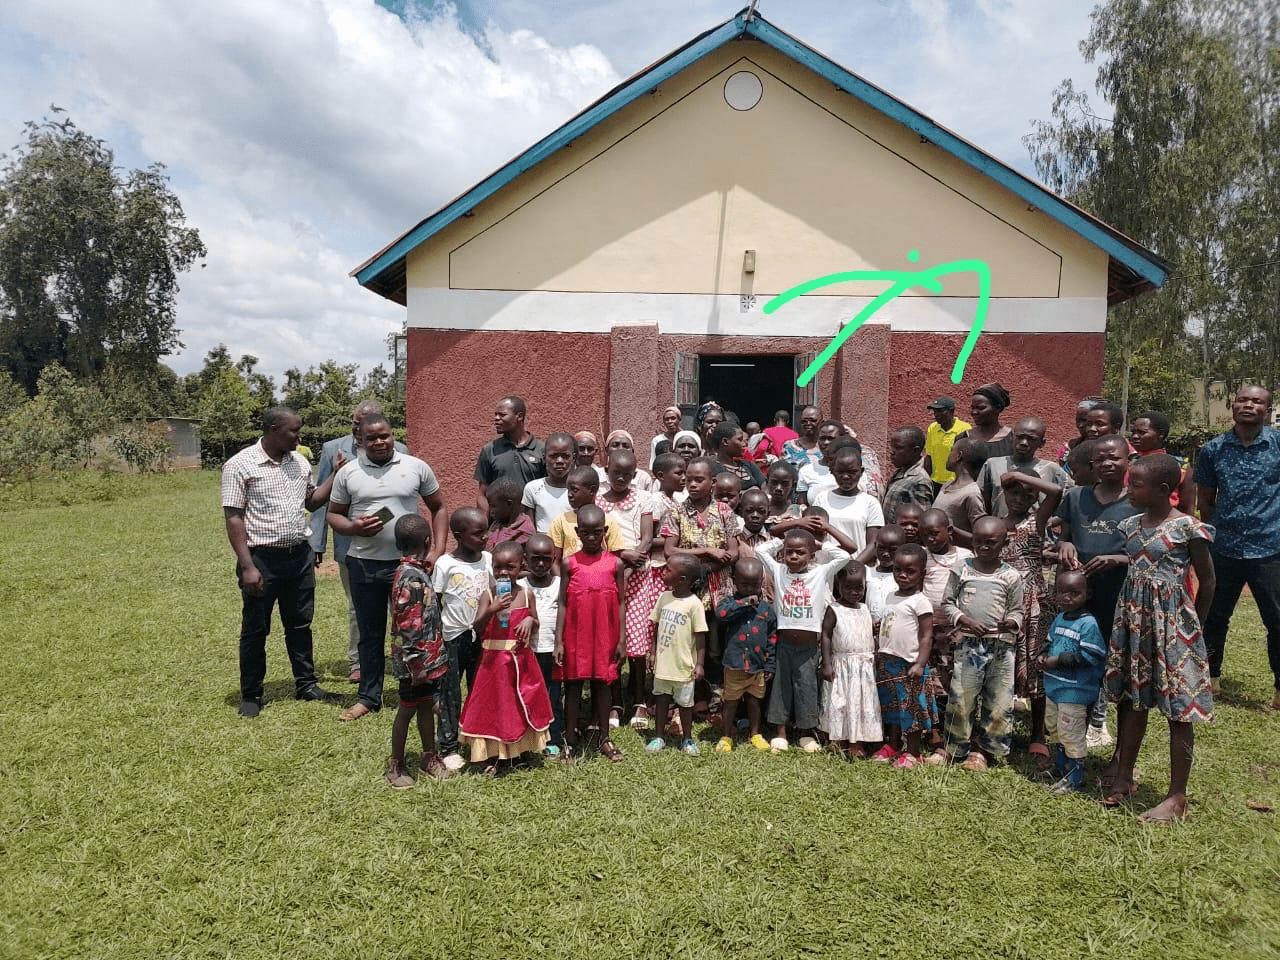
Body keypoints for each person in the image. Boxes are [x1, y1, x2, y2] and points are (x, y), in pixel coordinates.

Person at [1103, 454, 1216, 821]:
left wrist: (1193, 626)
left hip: (1174, 626)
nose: (1128, 489)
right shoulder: (1131, 525)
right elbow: (1137, 566)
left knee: (1179, 708)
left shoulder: (1187, 528)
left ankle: (1177, 796)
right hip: (1134, 623)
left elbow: (1209, 580)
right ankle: (1123, 776)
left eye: (1135, 484)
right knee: (1134, 699)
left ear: (1164, 490)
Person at [221, 407, 342, 718]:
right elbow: (233, 517)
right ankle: (251, 694)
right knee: (255, 629)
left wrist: (335, 474)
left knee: (300, 624)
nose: (298, 436)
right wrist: (247, 566)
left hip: (298, 556)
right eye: (293, 431)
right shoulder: (240, 465)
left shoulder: (299, 463)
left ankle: (306, 684)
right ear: (273, 429)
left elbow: (312, 501)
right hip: (261, 558)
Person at [327, 413, 447, 722]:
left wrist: (438, 550)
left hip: (407, 566)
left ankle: (425, 692)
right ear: (361, 441)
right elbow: (333, 515)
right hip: (364, 563)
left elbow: (439, 507)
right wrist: (353, 526)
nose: (380, 442)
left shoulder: (415, 466)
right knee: (370, 633)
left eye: (385, 436)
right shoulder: (348, 473)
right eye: (372, 438)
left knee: (417, 632)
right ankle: (369, 696)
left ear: (393, 436)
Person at [1195, 384, 1280, 705]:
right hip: (1224, 548)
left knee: (1277, 620)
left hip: (1270, 548)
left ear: (1267, 410)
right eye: (1242, 400)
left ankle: (1279, 689)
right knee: (1215, 616)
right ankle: (1210, 679)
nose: (1249, 405)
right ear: (1232, 406)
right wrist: (1221, 528)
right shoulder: (1213, 449)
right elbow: (1206, 500)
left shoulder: (1278, 445)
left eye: (1257, 401)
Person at [310, 400, 405, 684]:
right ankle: (358, 662)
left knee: (400, 606)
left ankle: (402, 657)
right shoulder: (333, 449)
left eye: (361, 422)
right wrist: (317, 544)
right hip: (351, 546)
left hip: (395, 547)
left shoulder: (401, 452)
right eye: (354, 422)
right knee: (356, 606)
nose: (355, 428)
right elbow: (322, 502)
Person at [1055, 435, 1140, 748]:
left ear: (1128, 461)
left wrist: (1117, 559)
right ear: (1091, 465)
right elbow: (1063, 537)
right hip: (1080, 596)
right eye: (1100, 459)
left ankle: (1102, 726)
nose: (1107, 464)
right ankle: (1078, 730)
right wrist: (1064, 545)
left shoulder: (1138, 501)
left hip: (1120, 595)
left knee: (1117, 663)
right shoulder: (1076, 496)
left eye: (1114, 458)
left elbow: (1150, 554)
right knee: (1081, 658)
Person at [755, 520, 859, 752]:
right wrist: (785, 540)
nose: (793, 556)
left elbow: (844, 557)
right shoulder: (779, 571)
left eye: (800, 552)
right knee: (781, 689)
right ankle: (780, 733)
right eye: (788, 552)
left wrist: (819, 545)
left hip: (809, 648)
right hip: (784, 645)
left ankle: (805, 734)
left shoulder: (820, 573)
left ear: (811, 556)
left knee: (807, 689)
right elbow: (760, 550)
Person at [937, 516, 1024, 771]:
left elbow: (1018, 610)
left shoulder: (1011, 576)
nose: (984, 547)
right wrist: (965, 620)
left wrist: (1010, 621)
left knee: (998, 699)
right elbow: (948, 602)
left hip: (1001, 647)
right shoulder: (961, 569)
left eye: (991, 542)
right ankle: (954, 747)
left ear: (1003, 543)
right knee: (962, 697)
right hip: (969, 646)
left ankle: (986, 750)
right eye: (978, 541)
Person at [459, 541, 554, 773]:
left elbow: (536, 620)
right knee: (494, 708)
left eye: (509, 567)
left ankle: (518, 751)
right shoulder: (488, 594)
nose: (503, 572)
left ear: (521, 566)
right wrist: (492, 608)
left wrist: (530, 621)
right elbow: (478, 626)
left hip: (519, 662)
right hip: (492, 664)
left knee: (517, 707)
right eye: (498, 567)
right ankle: (491, 754)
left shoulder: (527, 594)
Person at [997, 470, 1065, 770]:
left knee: (1034, 666)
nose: (1018, 499)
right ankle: (997, 729)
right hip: (1003, 601)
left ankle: (1038, 734)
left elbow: (1056, 492)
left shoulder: (1035, 521)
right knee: (1002, 666)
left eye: (1027, 495)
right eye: (1013, 492)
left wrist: (1016, 475)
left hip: (1033, 602)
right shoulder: (996, 524)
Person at [554, 505, 627, 761]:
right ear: (577, 532)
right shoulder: (568, 564)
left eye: (597, 532)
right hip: (576, 634)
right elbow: (562, 602)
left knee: (602, 684)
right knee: (573, 686)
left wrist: (622, 640)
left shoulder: (615, 564)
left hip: (606, 634)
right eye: (586, 533)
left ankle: (604, 737)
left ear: (605, 531)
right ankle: (570, 740)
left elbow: (621, 603)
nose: (592, 538)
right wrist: (558, 641)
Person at [384, 515, 449, 788]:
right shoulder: (411, 578)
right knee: (406, 710)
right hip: (416, 663)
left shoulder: (414, 571)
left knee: (424, 706)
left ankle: (428, 757)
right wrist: (416, 664)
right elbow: (409, 626)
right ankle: (396, 765)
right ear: (427, 541)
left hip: (425, 659)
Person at [431, 507, 493, 772]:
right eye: (478, 533)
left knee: (479, 689)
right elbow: (435, 602)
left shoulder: (488, 559)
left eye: (486, 531)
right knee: (450, 693)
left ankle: (477, 737)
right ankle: (448, 746)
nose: (485, 537)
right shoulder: (445, 564)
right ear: (458, 536)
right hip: (453, 637)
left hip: (482, 637)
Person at [1041, 569, 1107, 795]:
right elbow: (1050, 642)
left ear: (1087, 595)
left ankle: (1075, 777)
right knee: (1055, 727)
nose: (1067, 597)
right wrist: (1042, 656)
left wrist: (1058, 660)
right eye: (1062, 592)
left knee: (1071, 731)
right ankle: (1062, 766)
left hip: (1075, 689)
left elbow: (1092, 656)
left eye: (1074, 593)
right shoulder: (1059, 618)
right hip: (1054, 686)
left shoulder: (1088, 624)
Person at [872, 543, 934, 767]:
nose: (903, 575)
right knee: (892, 708)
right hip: (888, 661)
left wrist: (920, 663)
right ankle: (894, 744)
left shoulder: (921, 601)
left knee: (911, 710)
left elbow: (927, 636)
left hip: (909, 664)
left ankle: (914, 752)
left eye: (910, 571)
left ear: (922, 574)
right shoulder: (891, 596)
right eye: (898, 570)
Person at [646, 554, 710, 755]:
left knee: (684, 704)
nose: (663, 572)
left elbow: (700, 637)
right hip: (664, 664)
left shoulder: (694, 604)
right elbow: (656, 628)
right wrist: (652, 652)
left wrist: (699, 664)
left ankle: (687, 738)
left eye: (668, 570)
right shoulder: (664, 598)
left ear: (682, 580)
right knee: (662, 699)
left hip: (683, 666)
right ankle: (658, 736)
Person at [713, 556, 777, 752]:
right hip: (735, 665)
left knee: (754, 701)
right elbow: (720, 615)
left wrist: (770, 665)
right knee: (730, 702)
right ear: (734, 581)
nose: (750, 588)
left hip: (757, 667)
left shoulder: (766, 610)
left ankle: (755, 734)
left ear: (761, 582)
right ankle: (726, 736)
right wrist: (743, 603)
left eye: (755, 584)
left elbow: (772, 639)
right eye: (744, 584)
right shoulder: (730, 604)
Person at [918, 508, 972, 738]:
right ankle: (936, 731)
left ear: (949, 531)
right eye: (925, 535)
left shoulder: (965, 556)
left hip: (957, 630)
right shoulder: (922, 555)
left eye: (934, 533)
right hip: (930, 630)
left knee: (956, 678)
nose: (929, 539)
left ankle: (959, 729)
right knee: (933, 681)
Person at [820, 563, 881, 758]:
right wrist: (827, 663)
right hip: (842, 666)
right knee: (841, 703)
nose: (854, 592)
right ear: (839, 586)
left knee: (861, 704)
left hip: (863, 668)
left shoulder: (864, 608)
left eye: (859, 588)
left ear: (865, 586)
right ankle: (839, 740)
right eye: (848, 588)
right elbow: (826, 635)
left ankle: (857, 743)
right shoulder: (834, 609)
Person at [521, 533, 564, 752]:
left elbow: (564, 616)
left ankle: (553, 738)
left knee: (553, 694)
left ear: (554, 558)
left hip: (550, 650)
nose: (540, 563)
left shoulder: (559, 584)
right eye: (535, 558)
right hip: (525, 652)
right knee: (526, 694)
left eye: (546, 558)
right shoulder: (518, 584)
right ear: (525, 559)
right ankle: (527, 737)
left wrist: (559, 644)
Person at [975, 416, 1068, 518]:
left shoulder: (1052, 469)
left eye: (1031, 439)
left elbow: (1072, 499)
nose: (1024, 443)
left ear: (1042, 443)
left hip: (1034, 530)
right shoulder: (993, 465)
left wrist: (1053, 521)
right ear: (1011, 437)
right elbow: (981, 501)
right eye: (1020, 437)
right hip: (999, 528)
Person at [475, 396, 545, 519]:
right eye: (495, 415)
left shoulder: (541, 450)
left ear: (519, 416)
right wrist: (486, 522)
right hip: (499, 527)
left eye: (502, 415)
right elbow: (482, 494)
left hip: (532, 524)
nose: (496, 419)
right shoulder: (490, 450)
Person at [808, 446, 884, 552]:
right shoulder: (822, 499)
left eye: (851, 472)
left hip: (858, 565)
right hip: (827, 566)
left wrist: (855, 565)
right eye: (840, 472)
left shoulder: (871, 503)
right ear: (832, 471)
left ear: (861, 472)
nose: (846, 477)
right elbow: (815, 536)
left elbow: (873, 543)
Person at [548, 466, 624, 565]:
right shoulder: (561, 521)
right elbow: (555, 562)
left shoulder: (608, 521)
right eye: (568, 490)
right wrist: (561, 579)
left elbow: (615, 560)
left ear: (592, 490)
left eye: (575, 490)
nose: (569, 495)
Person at [1129, 411, 1195, 510]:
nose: (1135, 436)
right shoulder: (1128, 463)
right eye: (1133, 432)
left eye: (1142, 432)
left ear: (1161, 434)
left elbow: (1187, 506)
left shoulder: (1180, 466)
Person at [931, 436, 987, 548]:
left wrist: (949, 530)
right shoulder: (947, 485)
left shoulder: (972, 493)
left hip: (956, 558)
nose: (949, 455)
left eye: (952, 450)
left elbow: (980, 538)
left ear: (959, 456)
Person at [522, 432, 575, 532]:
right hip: (542, 546)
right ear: (544, 458)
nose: (559, 461)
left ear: (574, 458)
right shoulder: (533, 489)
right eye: (554, 456)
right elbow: (529, 530)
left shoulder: (580, 489)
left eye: (565, 456)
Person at [882, 426, 934, 523]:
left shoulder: (919, 480)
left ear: (915, 451)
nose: (892, 452)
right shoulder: (901, 472)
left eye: (898, 448)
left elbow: (922, 522)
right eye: (892, 446)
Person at [923, 396, 970, 488]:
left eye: (940, 411)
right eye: (934, 411)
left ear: (951, 411)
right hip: (935, 483)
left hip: (955, 484)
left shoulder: (965, 429)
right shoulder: (932, 428)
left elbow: (967, 460)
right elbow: (929, 457)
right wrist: (925, 480)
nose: (936, 414)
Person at [959, 382, 1014, 460]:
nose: (974, 412)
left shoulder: (1012, 439)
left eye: (981, 408)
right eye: (972, 408)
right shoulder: (963, 438)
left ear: (997, 408)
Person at [484, 477, 536, 551]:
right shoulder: (498, 524)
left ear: (509, 504)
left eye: (494, 506)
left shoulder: (524, 531)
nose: (491, 511)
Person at [710, 421, 765, 489]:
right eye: (740, 439)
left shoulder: (748, 465)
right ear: (725, 441)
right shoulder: (713, 469)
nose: (745, 444)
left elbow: (765, 487)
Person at [783, 405, 823, 470]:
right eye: (804, 421)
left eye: (813, 420)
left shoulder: (826, 447)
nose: (808, 423)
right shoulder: (789, 446)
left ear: (821, 423)